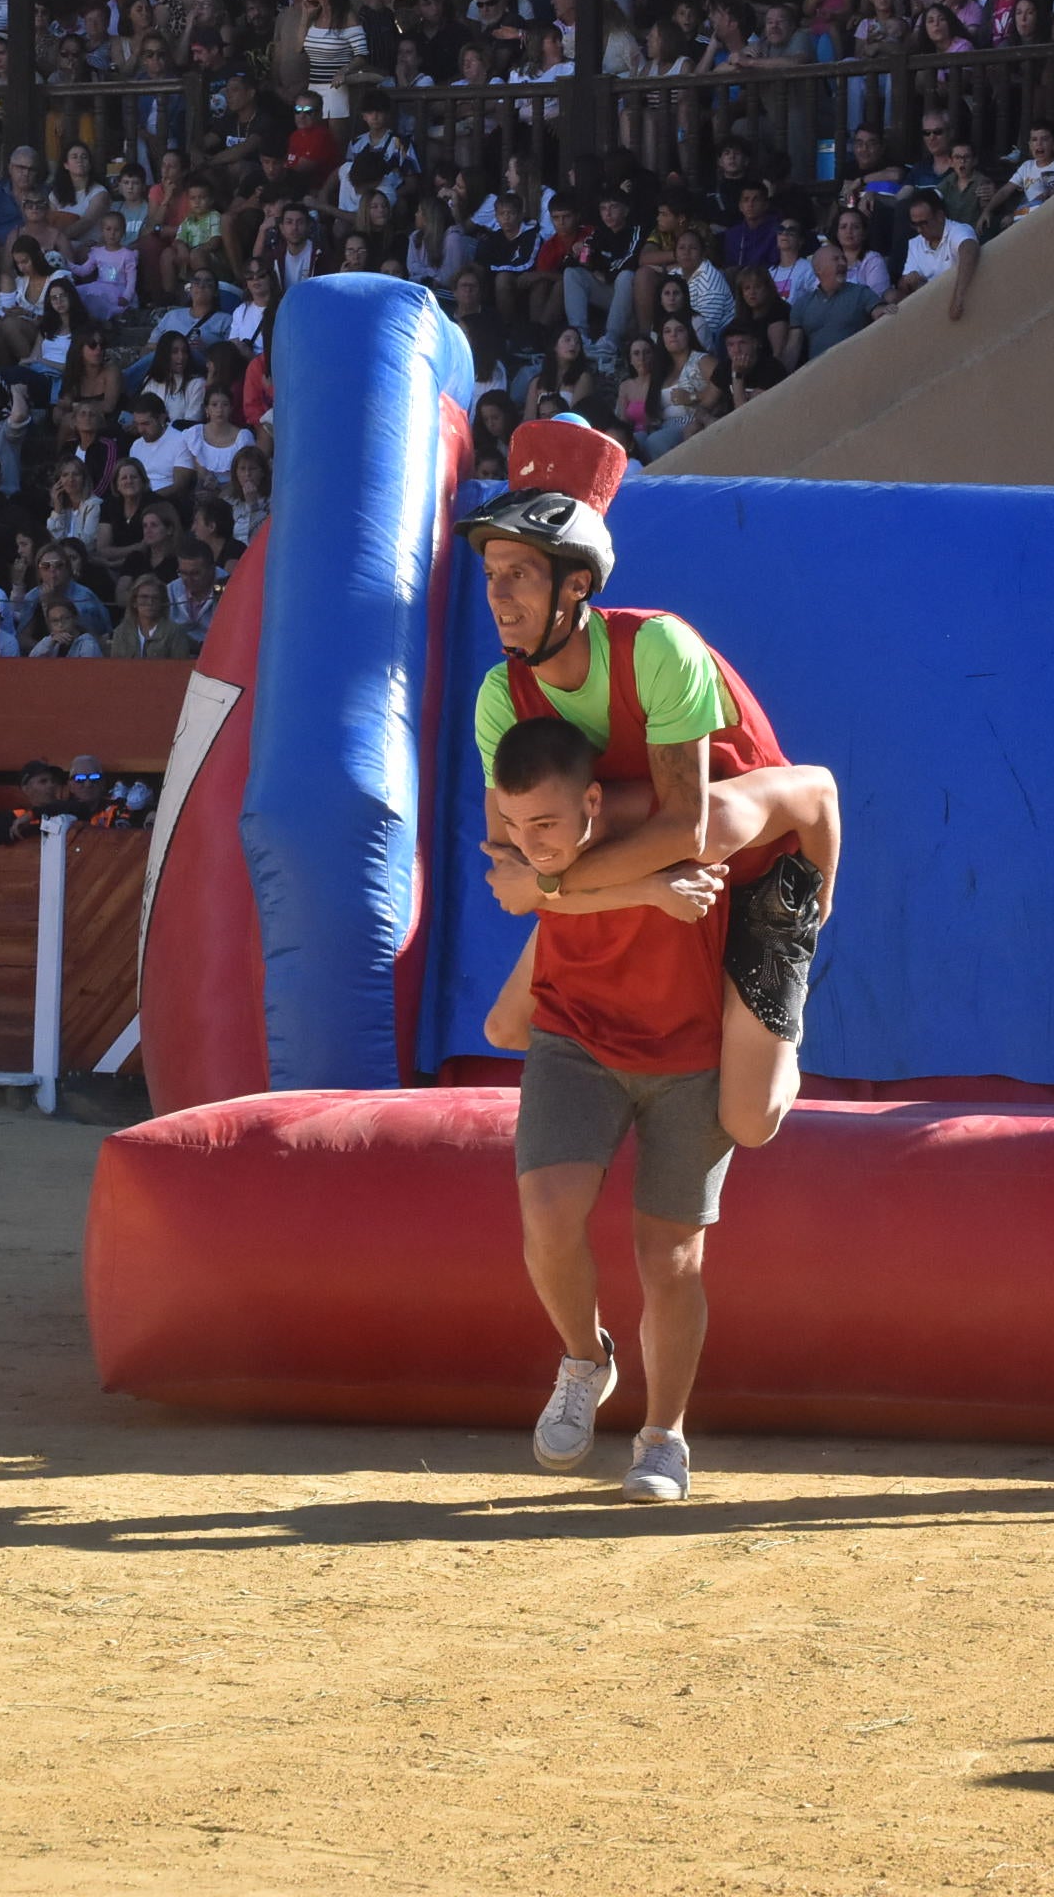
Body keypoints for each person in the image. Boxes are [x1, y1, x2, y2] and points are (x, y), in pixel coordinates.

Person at [459, 420, 835, 1505]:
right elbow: (511, 862)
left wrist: (560, 877)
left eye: (521, 576)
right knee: (545, 1202)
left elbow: (691, 826)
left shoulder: (655, 647)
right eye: (493, 576)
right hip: (626, 910)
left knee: (754, 1122)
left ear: (575, 585)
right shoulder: (503, 698)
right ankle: (586, 1356)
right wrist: (593, 882)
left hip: (755, 855)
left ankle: (662, 1436)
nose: (501, 597)